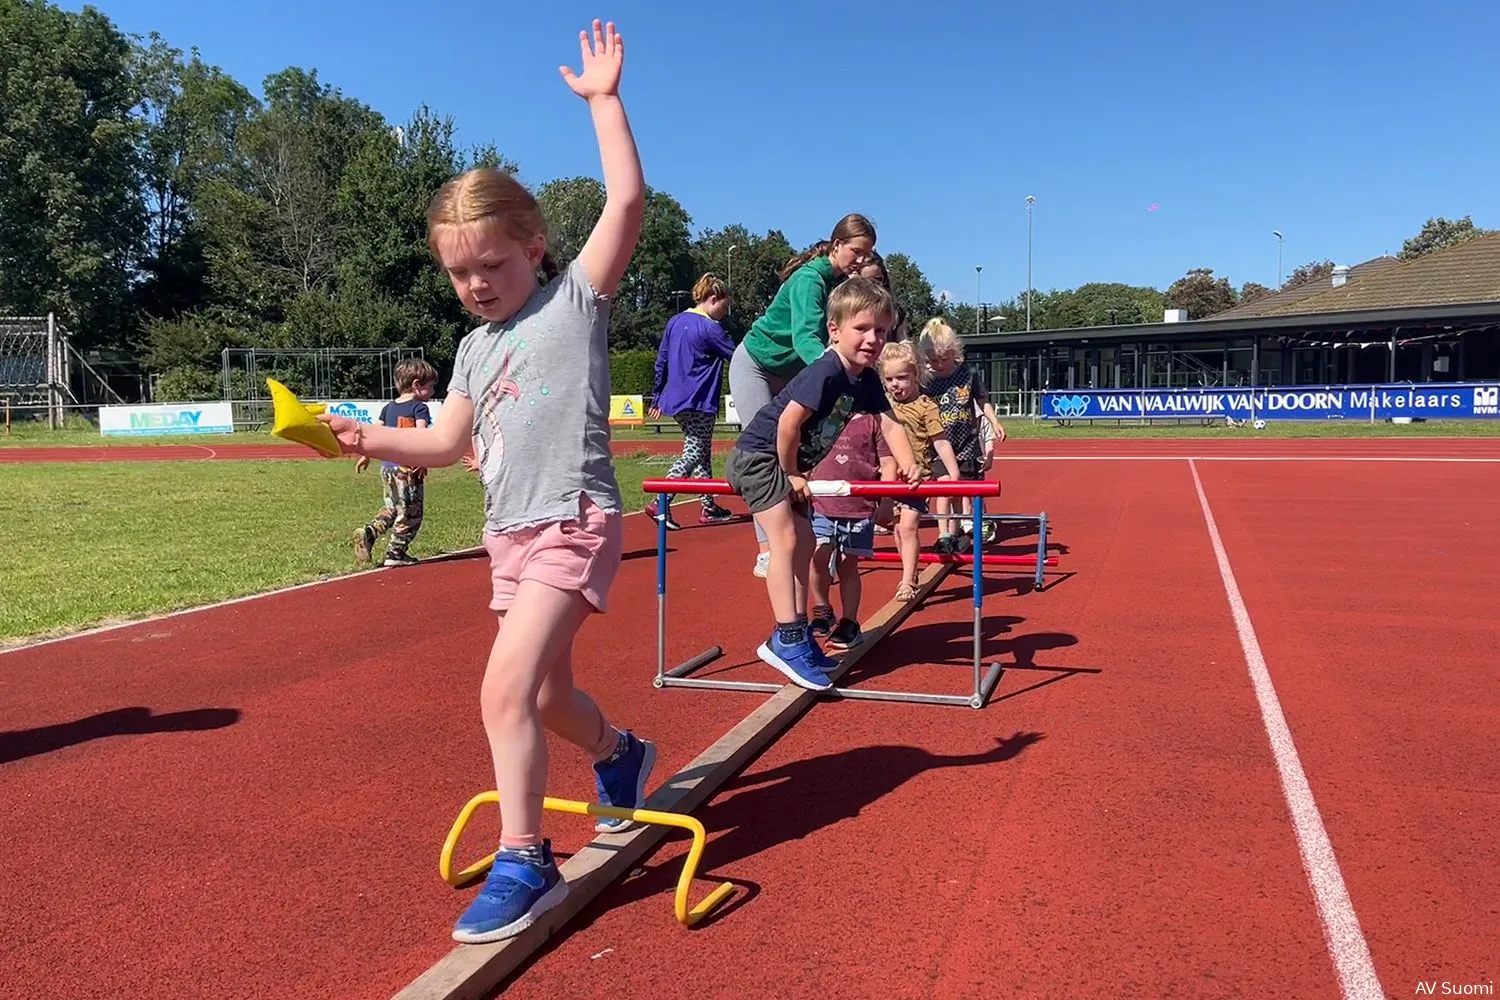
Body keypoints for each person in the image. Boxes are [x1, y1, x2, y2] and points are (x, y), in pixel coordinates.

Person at [316, 20, 651, 945]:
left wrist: (603, 101)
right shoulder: (469, 347)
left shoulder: (576, 298)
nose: (474, 284)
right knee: (545, 698)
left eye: (491, 265)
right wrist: (368, 436)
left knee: (502, 691)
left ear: (534, 246)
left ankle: (524, 855)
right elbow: (448, 439)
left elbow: (625, 201)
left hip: (574, 523)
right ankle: (621, 756)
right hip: (510, 535)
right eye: (457, 272)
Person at [723, 276, 922, 691]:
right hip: (760, 457)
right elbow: (788, 425)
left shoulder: (866, 379)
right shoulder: (826, 370)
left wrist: (909, 465)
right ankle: (787, 637)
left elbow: (890, 423)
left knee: (805, 542)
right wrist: (793, 473)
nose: (872, 339)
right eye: (862, 328)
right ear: (834, 331)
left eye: (881, 331)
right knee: (788, 542)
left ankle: (793, 634)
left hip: (783, 464)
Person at [727, 213, 877, 577]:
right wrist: (834, 369)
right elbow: (805, 338)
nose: (860, 260)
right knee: (766, 452)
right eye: (856, 251)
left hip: (791, 370)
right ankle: (767, 548)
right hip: (757, 364)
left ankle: (799, 530)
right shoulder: (809, 281)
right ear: (837, 244)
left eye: (867, 254)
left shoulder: (839, 284)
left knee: (800, 444)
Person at [645, 273, 736, 528]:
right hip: (699, 399)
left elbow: (661, 360)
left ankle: (708, 507)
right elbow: (738, 356)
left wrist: (656, 395)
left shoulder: (675, 322)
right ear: (713, 299)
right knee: (693, 451)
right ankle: (660, 501)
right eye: (724, 306)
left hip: (675, 400)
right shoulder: (711, 328)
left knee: (702, 451)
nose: (725, 312)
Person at [878, 340, 960, 601]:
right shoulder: (883, 405)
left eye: (902, 378)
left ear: (915, 376)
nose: (895, 385)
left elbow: (940, 441)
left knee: (908, 527)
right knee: (897, 530)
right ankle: (909, 571)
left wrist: (953, 472)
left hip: (917, 478)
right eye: (889, 379)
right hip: (891, 478)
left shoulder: (926, 406)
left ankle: (906, 581)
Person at [806, 411, 894, 650]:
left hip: (858, 506)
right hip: (821, 503)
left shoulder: (875, 420)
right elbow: (806, 455)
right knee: (818, 554)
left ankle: (850, 622)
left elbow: (887, 462)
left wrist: (886, 500)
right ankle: (822, 610)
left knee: (848, 564)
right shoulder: (821, 414)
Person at [917, 318, 1007, 552]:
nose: (938, 365)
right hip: (938, 444)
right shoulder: (925, 380)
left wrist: (994, 421)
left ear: (954, 353)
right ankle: (944, 534)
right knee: (945, 488)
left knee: (963, 490)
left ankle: (961, 531)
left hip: (966, 443)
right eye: (932, 360)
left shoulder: (968, 376)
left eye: (943, 359)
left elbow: (982, 401)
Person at [353, 357, 439, 567]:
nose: (433, 392)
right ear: (417, 385)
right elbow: (420, 436)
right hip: (407, 469)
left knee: (392, 508)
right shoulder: (419, 408)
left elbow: (376, 435)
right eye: (431, 387)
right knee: (411, 514)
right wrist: (422, 457)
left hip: (387, 468)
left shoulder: (388, 408)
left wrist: (366, 455)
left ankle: (370, 531)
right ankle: (396, 552)